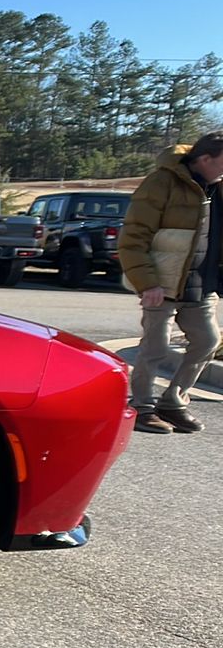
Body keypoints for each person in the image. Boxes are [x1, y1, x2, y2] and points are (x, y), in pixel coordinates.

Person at [121, 130, 223, 434]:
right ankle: (141, 407)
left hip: (203, 283)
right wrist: (146, 282)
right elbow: (133, 236)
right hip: (162, 282)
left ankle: (173, 403)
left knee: (207, 341)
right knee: (156, 347)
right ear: (205, 159)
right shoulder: (162, 181)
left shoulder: (218, 187)